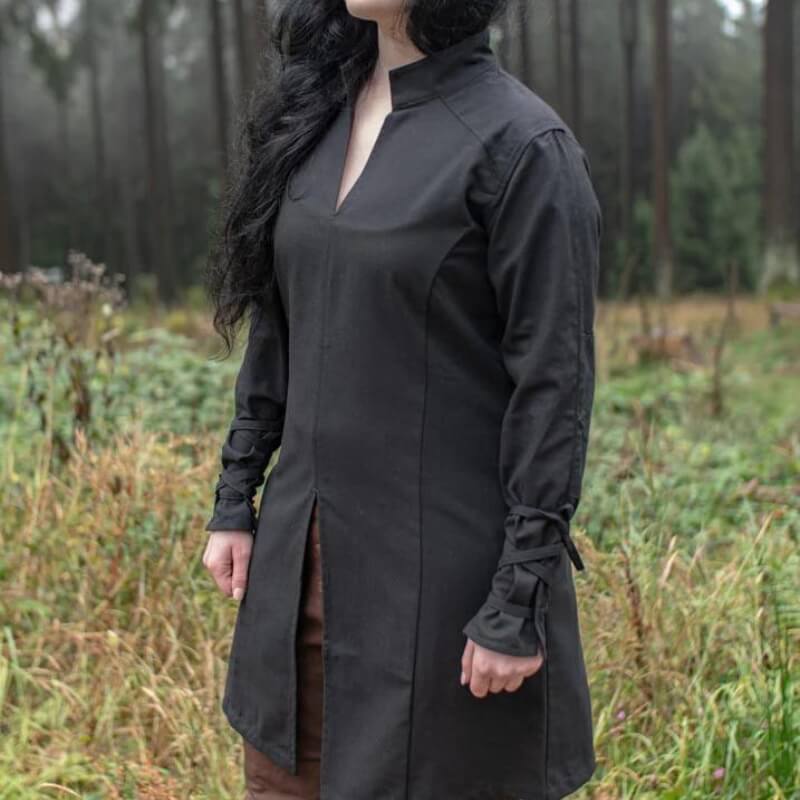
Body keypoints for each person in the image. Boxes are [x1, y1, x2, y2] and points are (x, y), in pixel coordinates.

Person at [202, 1, 602, 798]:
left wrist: (517, 599)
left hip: (442, 600)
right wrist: (236, 498)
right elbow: (279, 324)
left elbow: (554, 390)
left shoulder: (524, 147)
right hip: (298, 575)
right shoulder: (313, 116)